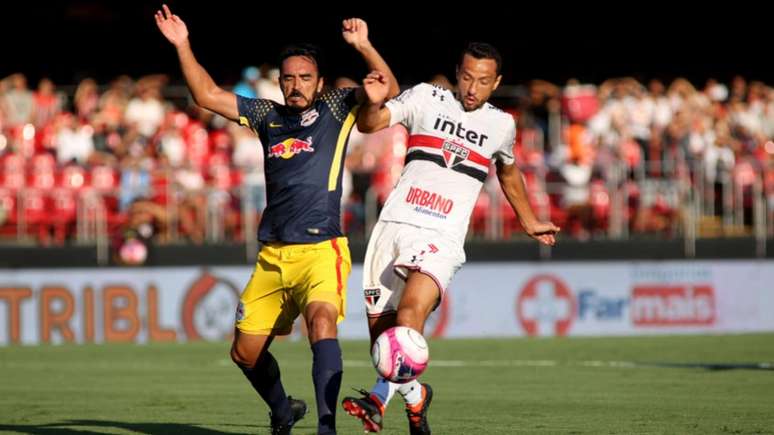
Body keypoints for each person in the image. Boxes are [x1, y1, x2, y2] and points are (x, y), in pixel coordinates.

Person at [155, 6, 398, 434]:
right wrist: (182, 44)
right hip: (273, 256)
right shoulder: (268, 116)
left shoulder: (337, 107)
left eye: (305, 77)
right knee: (244, 354)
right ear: (280, 81)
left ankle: (327, 427)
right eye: (289, 78)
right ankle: (283, 409)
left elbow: (385, 89)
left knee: (321, 321)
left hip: (322, 250)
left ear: (319, 82)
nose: (296, 85)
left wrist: (364, 47)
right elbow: (207, 95)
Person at [341, 42, 560, 434]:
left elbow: (508, 172)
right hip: (394, 227)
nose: (472, 88)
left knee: (409, 319)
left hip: (442, 236)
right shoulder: (426, 97)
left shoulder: (501, 125)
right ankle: (415, 398)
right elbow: (370, 125)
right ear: (457, 72)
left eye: (483, 81)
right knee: (385, 346)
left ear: (497, 83)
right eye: (466, 77)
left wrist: (528, 220)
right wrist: (372, 103)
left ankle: (375, 401)